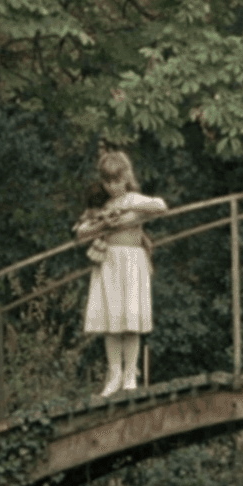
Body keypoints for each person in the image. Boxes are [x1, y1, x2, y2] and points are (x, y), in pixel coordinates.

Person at [74, 151, 165, 396]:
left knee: (131, 321)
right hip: (109, 263)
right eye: (107, 181)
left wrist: (127, 206)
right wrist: (104, 222)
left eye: (117, 180)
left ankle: (129, 375)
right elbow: (81, 232)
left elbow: (160, 206)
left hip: (132, 262)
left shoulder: (133, 199)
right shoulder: (101, 206)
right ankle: (114, 375)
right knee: (112, 322)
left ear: (126, 177)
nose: (112, 186)